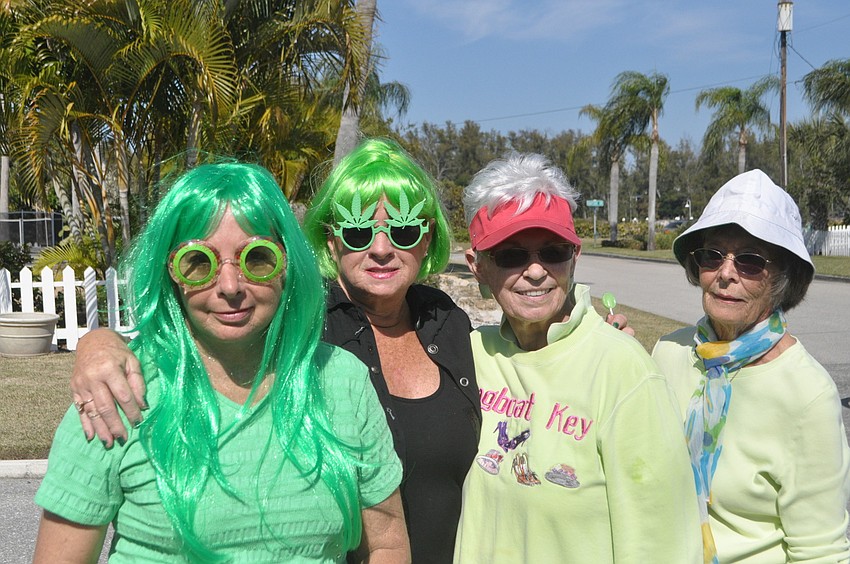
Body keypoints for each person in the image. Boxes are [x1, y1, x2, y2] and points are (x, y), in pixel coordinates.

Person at [67, 139, 480, 563]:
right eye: (357, 232)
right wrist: (96, 343)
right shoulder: (301, 324)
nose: (380, 248)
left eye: (404, 229)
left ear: (427, 239)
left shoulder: (447, 325)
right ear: (330, 242)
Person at [453, 153, 702, 563]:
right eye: (511, 255)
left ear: (575, 256)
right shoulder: (471, 355)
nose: (535, 271)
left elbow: (663, 545)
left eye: (552, 251)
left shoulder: (623, 370)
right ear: (476, 266)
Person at [652, 169, 850, 562]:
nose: (726, 273)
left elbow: (820, 551)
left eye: (750, 261)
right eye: (713, 255)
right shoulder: (669, 352)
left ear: (782, 279)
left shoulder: (807, 395)